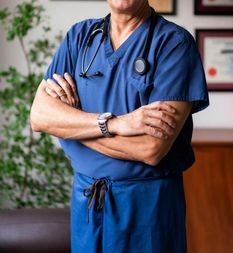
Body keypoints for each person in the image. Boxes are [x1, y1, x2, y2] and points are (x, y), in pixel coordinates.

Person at [30, 0, 209, 252]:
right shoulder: (79, 37)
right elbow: (40, 116)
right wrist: (116, 124)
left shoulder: (173, 44)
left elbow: (150, 148)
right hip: (87, 204)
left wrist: (70, 127)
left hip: (147, 208)